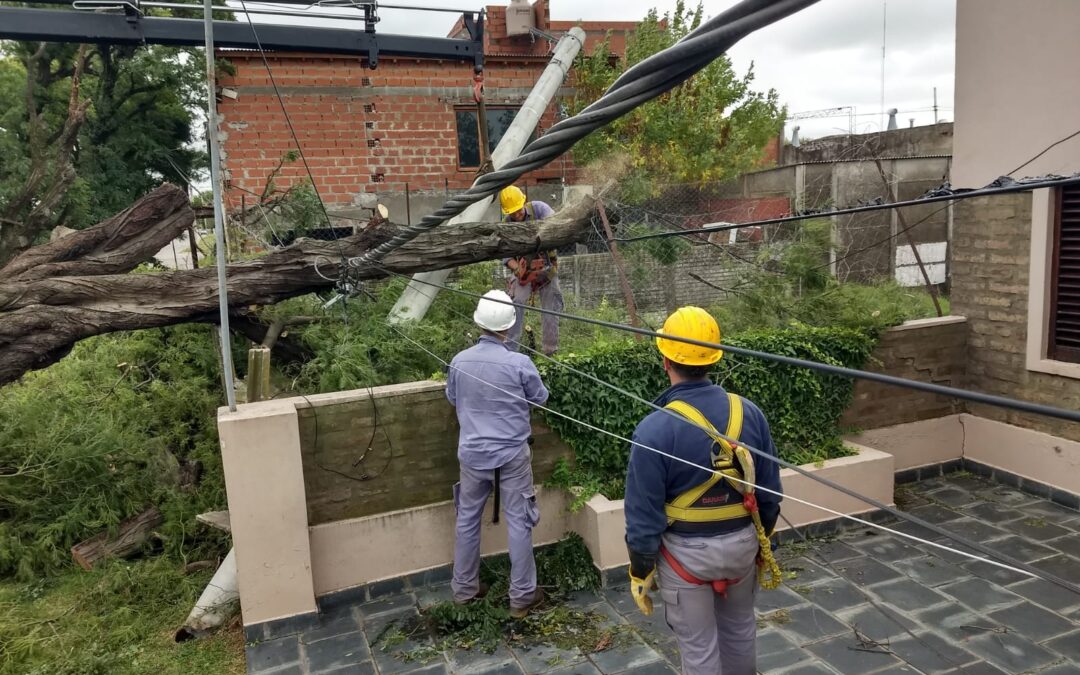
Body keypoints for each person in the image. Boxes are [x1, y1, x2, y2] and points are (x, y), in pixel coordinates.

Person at [623, 306, 783, 675]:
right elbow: (770, 494)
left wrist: (641, 570)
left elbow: (644, 516)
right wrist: (762, 541)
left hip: (686, 558)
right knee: (741, 631)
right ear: (715, 358)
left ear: (666, 360)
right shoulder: (749, 413)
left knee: (698, 647)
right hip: (743, 546)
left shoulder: (654, 429)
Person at [445, 289, 549, 618]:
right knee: (519, 523)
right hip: (511, 457)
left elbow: (452, 397)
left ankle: (464, 590)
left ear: (479, 323)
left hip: (472, 455)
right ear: (509, 326)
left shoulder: (459, 362)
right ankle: (521, 597)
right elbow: (540, 397)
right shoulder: (519, 362)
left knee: (467, 519)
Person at [499, 185, 563, 355]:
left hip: (547, 270)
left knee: (550, 310)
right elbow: (506, 256)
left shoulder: (540, 210)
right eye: (512, 212)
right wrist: (518, 270)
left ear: (524, 202)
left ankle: (551, 353)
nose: (517, 214)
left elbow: (556, 225)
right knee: (515, 305)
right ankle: (510, 352)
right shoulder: (506, 225)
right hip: (524, 275)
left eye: (518, 210)